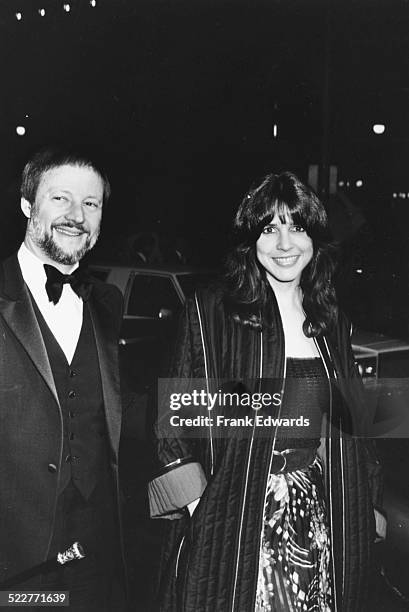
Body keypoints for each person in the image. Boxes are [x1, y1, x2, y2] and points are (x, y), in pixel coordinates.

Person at [148, 172, 384, 611]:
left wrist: (365, 502)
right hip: (235, 519)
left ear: (315, 239)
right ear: (250, 239)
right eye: (268, 228)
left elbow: (356, 423)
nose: (284, 243)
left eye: (297, 227)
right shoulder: (212, 310)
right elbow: (174, 419)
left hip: (318, 517)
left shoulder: (330, 320)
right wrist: (204, 506)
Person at [0, 146, 126, 609]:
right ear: (27, 205)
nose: (77, 215)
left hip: (95, 554)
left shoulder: (108, 304)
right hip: (13, 563)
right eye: (61, 199)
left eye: (90, 204)